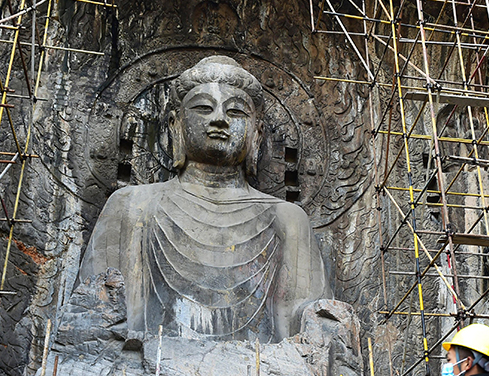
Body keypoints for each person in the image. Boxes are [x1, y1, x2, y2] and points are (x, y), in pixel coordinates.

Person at [78, 55, 329, 343]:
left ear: (256, 133)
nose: (219, 119)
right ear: (176, 125)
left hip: (262, 373)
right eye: (203, 108)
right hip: (148, 372)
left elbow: (301, 320)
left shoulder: (287, 218)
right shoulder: (132, 205)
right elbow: (99, 313)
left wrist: (324, 321)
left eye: (236, 112)